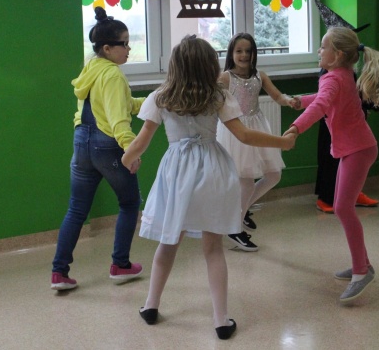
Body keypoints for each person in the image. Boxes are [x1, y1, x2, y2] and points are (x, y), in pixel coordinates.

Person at [121, 35, 296, 339]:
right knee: (213, 248)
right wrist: (282, 142)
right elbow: (245, 136)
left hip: (177, 173)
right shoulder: (218, 97)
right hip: (213, 170)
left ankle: (150, 305)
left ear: (175, 65)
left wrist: (127, 160)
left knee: (169, 241)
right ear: (208, 66)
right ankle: (221, 320)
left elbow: (141, 142)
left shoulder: (160, 97)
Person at [283, 27, 379, 303]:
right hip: (356, 148)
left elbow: (321, 106)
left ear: (337, 54)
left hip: (358, 150)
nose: (319, 51)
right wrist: (301, 101)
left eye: (322, 46)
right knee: (343, 207)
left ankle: (361, 272)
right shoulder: (342, 75)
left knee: (342, 208)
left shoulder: (333, 78)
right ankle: (362, 264)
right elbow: (323, 100)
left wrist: (295, 128)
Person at [50, 7, 144, 291]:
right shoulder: (113, 75)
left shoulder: (91, 69)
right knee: (129, 203)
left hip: (82, 142)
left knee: (76, 209)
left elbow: (121, 106)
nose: (128, 49)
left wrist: (153, 101)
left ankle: (59, 272)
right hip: (107, 145)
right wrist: (130, 151)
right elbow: (117, 120)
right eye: (124, 44)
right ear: (107, 48)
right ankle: (120, 265)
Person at [217, 33, 296, 251]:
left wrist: (289, 101)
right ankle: (234, 228)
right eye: (239, 51)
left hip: (258, 126)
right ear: (231, 53)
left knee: (274, 175)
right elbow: (212, 100)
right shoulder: (225, 78)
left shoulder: (259, 76)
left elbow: (277, 96)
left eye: (248, 51)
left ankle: (242, 210)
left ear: (254, 54)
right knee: (246, 182)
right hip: (236, 131)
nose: (244, 55)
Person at [314, 67, 379, 213]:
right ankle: (325, 198)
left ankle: (353, 194)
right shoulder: (329, 73)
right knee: (331, 160)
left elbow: (353, 95)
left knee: (352, 162)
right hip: (333, 124)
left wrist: (370, 102)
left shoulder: (348, 71)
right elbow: (331, 99)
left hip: (349, 125)